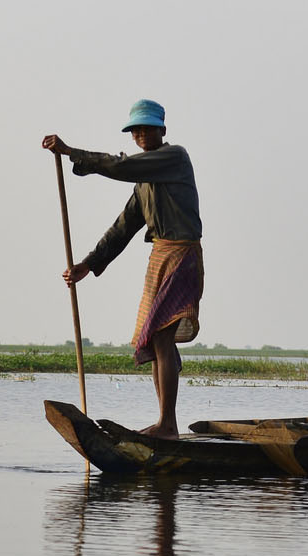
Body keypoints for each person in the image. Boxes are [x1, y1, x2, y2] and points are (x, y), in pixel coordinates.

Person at [43, 99, 203, 438]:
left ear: (162, 130)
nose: (142, 134)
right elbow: (124, 227)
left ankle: (167, 425)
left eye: (147, 128)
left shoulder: (175, 157)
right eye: (136, 130)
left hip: (182, 255)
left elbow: (121, 167)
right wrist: (88, 264)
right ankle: (165, 423)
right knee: (153, 338)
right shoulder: (143, 182)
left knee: (161, 333)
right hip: (159, 256)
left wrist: (73, 152)